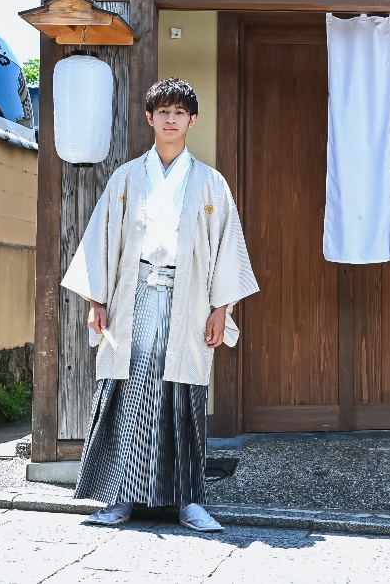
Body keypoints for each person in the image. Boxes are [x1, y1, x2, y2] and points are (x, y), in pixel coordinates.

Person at [62, 78, 258, 532]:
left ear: (192, 120)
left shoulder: (210, 182)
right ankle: (119, 499)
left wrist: (221, 308)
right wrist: (97, 301)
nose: (171, 120)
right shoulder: (127, 177)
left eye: (179, 112)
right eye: (163, 112)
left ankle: (189, 502)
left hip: (188, 299)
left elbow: (227, 247)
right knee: (127, 392)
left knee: (182, 396)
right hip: (132, 297)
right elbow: (102, 239)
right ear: (149, 118)